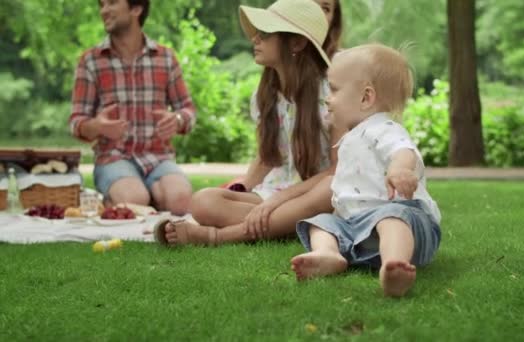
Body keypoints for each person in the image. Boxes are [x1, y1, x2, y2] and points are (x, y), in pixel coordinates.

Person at [155, 0, 342, 246]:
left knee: (330, 189)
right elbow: (268, 158)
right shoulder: (265, 95)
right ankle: (285, 225)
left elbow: (336, 171)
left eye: (265, 33)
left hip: (312, 194)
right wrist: (241, 187)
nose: (255, 38)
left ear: (296, 43)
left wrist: (280, 200)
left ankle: (219, 236)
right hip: (274, 193)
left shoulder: (330, 95)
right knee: (203, 201)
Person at [290, 44, 442, 298]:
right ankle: (328, 253)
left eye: (335, 89)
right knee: (322, 222)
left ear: (366, 98)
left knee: (390, 217)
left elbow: (403, 150)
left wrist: (400, 170)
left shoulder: (383, 128)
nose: (328, 98)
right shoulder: (352, 138)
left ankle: (395, 265)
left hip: (409, 225)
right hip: (360, 232)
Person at [69, 0, 195, 215]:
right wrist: (97, 126)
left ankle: (147, 199)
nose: (104, 10)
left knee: (181, 201)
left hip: (159, 157)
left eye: (112, 3)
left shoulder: (165, 58)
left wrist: (178, 120)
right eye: (101, 5)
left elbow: (188, 110)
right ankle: (133, 198)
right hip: (113, 157)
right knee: (134, 199)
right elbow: (76, 122)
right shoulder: (90, 61)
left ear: (136, 9)